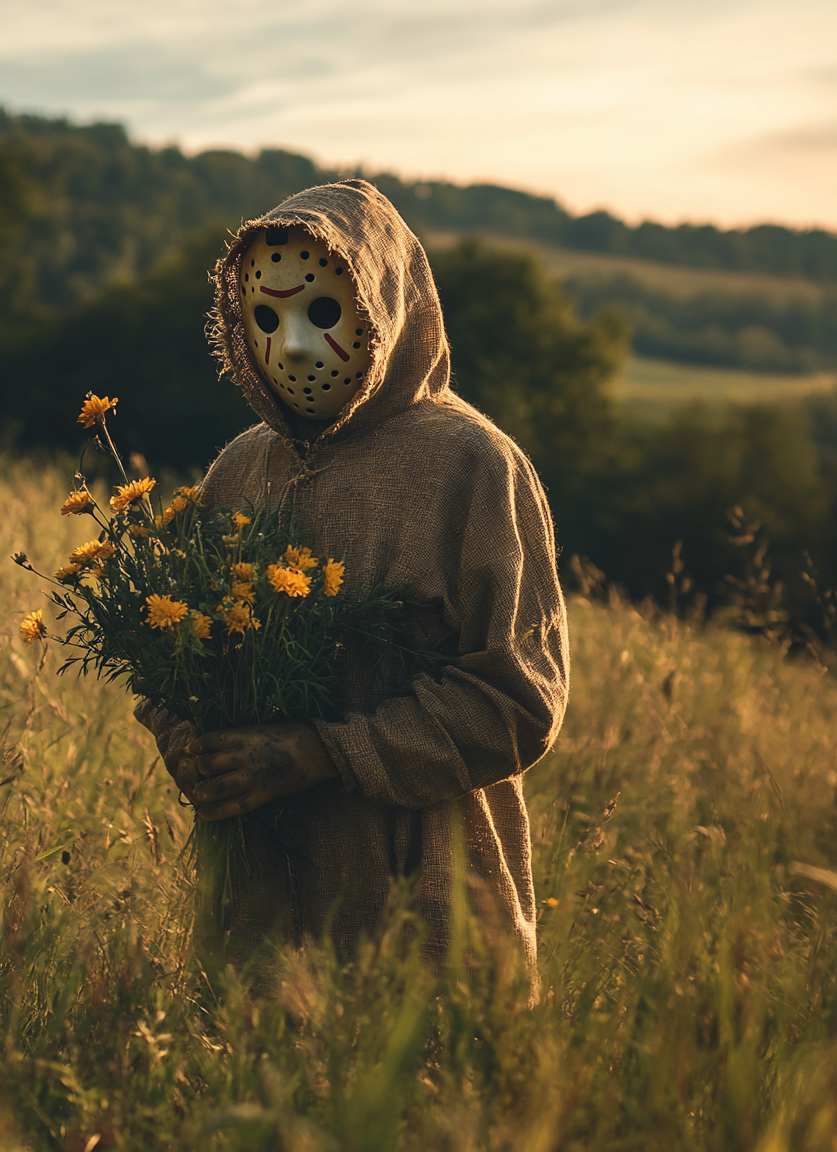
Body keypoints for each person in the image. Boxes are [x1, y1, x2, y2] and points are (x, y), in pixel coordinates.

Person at [136, 179, 569, 984]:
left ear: (386, 305)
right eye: (266, 320)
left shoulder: (473, 466)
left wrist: (326, 753)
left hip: (427, 913)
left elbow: (520, 697)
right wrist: (184, 737)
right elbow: (177, 656)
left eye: (323, 313)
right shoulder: (239, 468)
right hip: (258, 914)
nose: (293, 346)